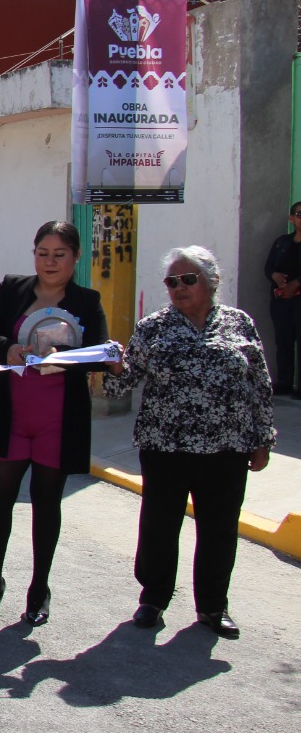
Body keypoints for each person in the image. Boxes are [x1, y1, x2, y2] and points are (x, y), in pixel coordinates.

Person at [105, 246, 272, 640]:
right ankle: (153, 598)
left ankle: (213, 606)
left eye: (188, 280)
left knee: (219, 528)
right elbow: (122, 384)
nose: (179, 288)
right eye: (172, 282)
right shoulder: (154, 327)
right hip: (166, 445)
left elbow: (259, 385)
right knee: (159, 525)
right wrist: (113, 367)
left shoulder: (239, 323)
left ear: (212, 282)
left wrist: (262, 439)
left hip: (226, 447)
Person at [0, 220, 108, 626]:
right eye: (43, 253)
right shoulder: (13, 287)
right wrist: (10, 348)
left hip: (58, 419)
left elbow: (99, 353)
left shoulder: (88, 300)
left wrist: (68, 358)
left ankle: (39, 587)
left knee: (46, 505)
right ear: (33, 254)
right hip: (12, 414)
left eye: (60, 254)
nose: (50, 262)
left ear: (76, 257)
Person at [262, 201, 301, 396]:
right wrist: (275, 276)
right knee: (283, 341)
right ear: (291, 218)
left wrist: (296, 283)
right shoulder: (282, 242)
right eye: (299, 214)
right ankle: (284, 382)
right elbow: (268, 267)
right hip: (281, 300)